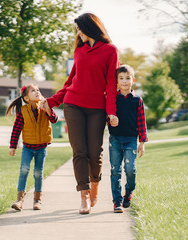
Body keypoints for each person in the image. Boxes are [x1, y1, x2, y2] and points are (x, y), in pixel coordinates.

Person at [46, 13, 119, 214]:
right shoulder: (79, 51)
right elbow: (70, 82)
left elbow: (111, 84)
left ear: (90, 27)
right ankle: (84, 195)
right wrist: (53, 101)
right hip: (73, 104)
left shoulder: (110, 51)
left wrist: (111, 111)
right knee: (79, 151)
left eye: (79, 28)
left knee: (95, 153)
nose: (77, 33)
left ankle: (95, 182)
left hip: (97, 108)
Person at [7, 84, 58, 211]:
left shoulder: (45, 106)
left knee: (37, 173)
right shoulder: (23, 112)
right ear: (26, 98)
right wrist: (13, 146)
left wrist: (48, 111)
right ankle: (19, 200)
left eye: (38, 90)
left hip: (41, 148)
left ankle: (37, 200)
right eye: (33, 91)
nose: (37, 92)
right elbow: (16, 130)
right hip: (28, 148)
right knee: (24, 170)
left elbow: (55, 120)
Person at [108, 65, 148, 213]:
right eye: (121, 78)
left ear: (133, 80)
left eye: (127, 78)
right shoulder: (112, 98)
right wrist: (110, 120)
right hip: (115, 139)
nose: (124, 81)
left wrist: (142, 142)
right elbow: (108, 116)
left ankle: (128, 192)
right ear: (117, 81)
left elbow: (141, 122)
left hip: (131, 140)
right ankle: (116, 201)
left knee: (130, 170)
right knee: (115, 171)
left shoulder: (137, 100)